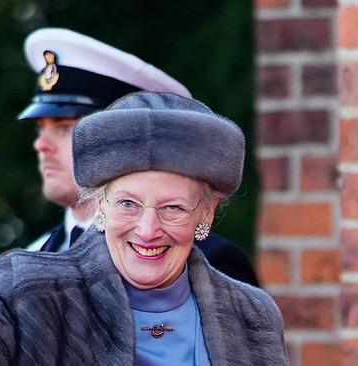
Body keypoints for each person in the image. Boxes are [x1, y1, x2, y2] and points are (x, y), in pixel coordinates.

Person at [0, 92, 287, 365]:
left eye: (173, 208)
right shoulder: (28, 292)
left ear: (206, 215)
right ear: (98, 204)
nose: (148, 228)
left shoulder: (252, 313)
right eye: (127, 204)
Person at [18, 28, 260, 287]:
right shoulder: (32, 257)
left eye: (67, 128)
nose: (41, 144)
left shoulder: (207, 264)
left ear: (129, 141)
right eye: (41, 128)